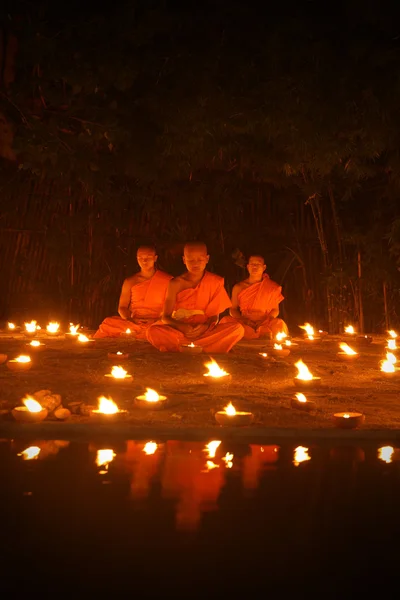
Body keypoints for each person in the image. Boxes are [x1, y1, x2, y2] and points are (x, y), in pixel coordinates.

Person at [146, 242, 244, 352]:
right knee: (152, 331)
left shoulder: (214, 282)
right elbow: (165, 317)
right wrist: (181, 326)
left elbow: (214, 317)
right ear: (184, 260)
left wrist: (205, 326)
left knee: (237, 329)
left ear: (207, 259)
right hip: (179, 331)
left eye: (200, 259)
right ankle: (208, 348)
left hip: (205, 331)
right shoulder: (175, 283)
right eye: (191, 260)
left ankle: (183, 348)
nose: (195, 264)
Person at [93, 245, 172, 339]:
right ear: (136, 259)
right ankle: (143, 333)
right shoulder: (130, 281)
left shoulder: (168, 280)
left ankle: (145, 332)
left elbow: (172, 308)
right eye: (140, 258)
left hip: (157, 322)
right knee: (108, 322)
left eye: (148, 257)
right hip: (134, 322)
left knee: (163, 328)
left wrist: (156, 320)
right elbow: (122, 307)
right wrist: (130, 320)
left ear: (155, 258)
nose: (144, 261)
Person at [221, 254, 288, 339]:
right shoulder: (239, 287)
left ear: (264, 267)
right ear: (248, 267)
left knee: (279, 323)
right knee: (226, 320)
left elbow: (275, 310)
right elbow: (232, 309)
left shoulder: (271, 287)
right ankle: (258, 334)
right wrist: (244, 320)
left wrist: (265, 320)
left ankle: (260, 333)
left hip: (265, 322)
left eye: (258, 264)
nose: (255, 267)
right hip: (245, 322)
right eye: (252, 264)